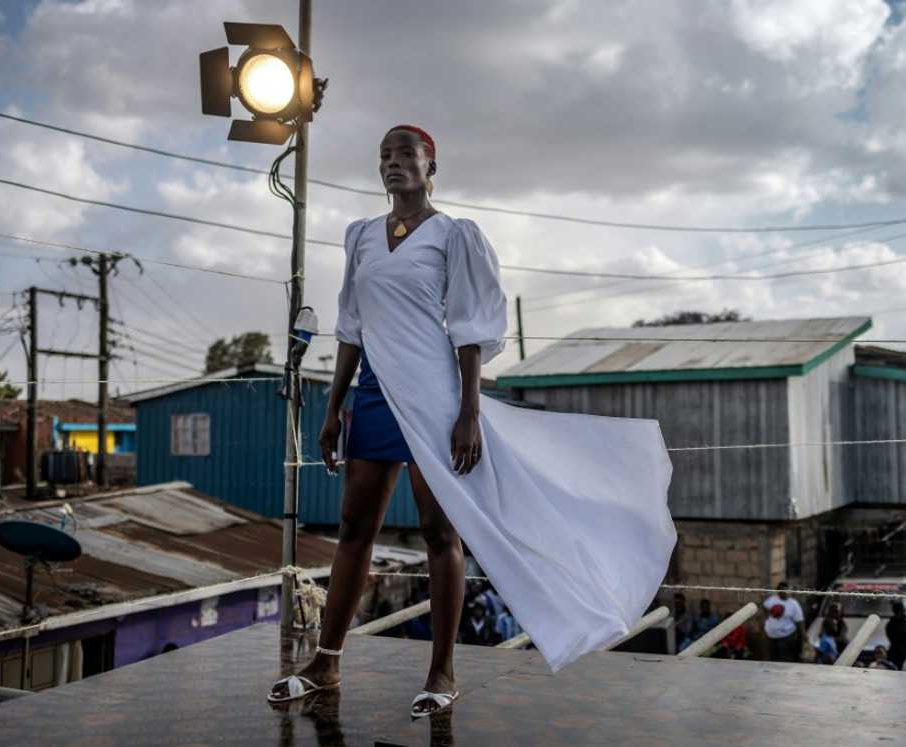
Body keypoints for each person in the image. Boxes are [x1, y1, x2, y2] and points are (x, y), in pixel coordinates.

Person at [268, 125, 677, 715]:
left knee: (440, 532)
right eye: (384, 156)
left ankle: (442, 672)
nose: (392, 164)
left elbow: (468, 331)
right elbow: (351, 327)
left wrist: (469, 413)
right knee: (355, 528)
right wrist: (334, 409)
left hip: (436, 401)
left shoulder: (454, 236)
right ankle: (326, 663)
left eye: (405, 154)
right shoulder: (359, 236)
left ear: (431, 165)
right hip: (375, 395)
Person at [763, 582, 804, 662]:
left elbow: (799, 621)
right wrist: (767, 618)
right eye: (783, 590)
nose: (786, 592)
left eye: (787, 590)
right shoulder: (772, 599)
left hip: (786, 637)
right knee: (772, 658)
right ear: (778, 591)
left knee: (785, 659)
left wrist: (803, 636)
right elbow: (764, 607)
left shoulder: (793, 604)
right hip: (771, 636)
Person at [885, 601, 906, 670]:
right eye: (901, 611)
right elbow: (893, 639)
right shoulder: (891, 625)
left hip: (905, 654)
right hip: (896, 654)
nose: (903, 612)